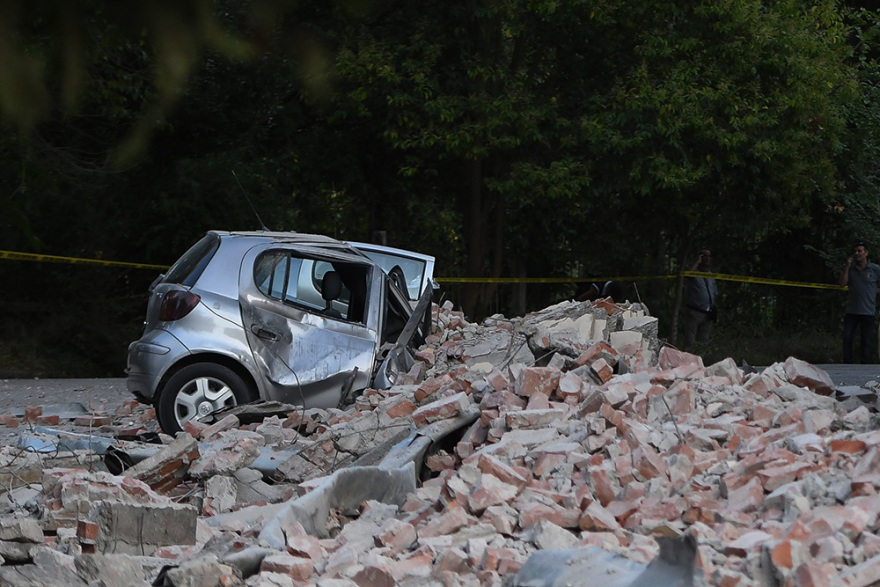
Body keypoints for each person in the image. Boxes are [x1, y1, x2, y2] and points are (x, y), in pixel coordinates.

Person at [840, 242, 880, 363]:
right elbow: (842, 284)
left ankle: (865, 364)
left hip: (868, 311)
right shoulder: (851, 269)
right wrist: (847, 266)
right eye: (856, 251)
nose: (857, 254)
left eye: (860, 251)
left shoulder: (875, 269)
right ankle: (847, 363)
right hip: (852, 310)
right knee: (847, 337)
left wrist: (873, 291)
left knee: (866, 340)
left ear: (866, 253)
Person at [683, 249, 718, 353]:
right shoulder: (694, 273)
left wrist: (715, 311)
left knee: (703, 343)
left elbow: (714, 293)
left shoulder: (710, 275)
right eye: (704, 256)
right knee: (690, 341)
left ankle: (700, 365)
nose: (707, 259)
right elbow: (687, 274)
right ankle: (686, 365)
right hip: (695, 312)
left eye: (709, 256)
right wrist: (697, 261)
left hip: (707, 314)